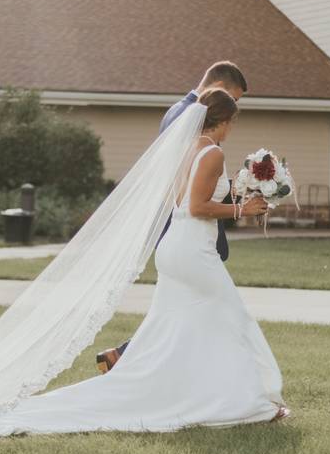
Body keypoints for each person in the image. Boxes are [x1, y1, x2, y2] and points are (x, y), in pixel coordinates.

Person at [0, 89, 288, 436]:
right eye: (233, 122)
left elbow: (183, 199)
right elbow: (195, 208)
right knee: (233, 319)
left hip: (175, 250)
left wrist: (242, 192)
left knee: (177, 328)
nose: (233, 128)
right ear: (226, 121)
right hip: (193, 252)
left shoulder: (188, 149)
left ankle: (174, 385)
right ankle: (249, 401)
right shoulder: (213, 153)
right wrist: (241, 210)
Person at [95, 61, 248, 374]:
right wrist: (236, 207)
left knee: (180, 311)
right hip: (186, 232)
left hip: (184, 232)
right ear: (216, 88)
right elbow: (189, 188)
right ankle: (137, 360)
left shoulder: (178, 110)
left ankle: (128, 358)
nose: (232, 111)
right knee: (199, 310)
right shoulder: (188, 119)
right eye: (232, 99)